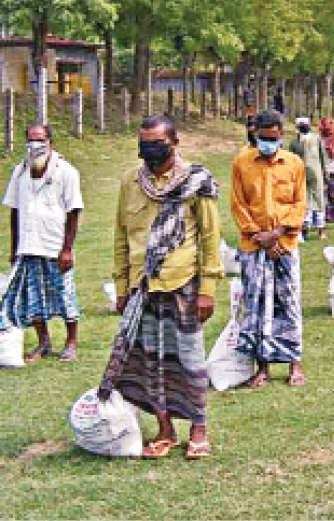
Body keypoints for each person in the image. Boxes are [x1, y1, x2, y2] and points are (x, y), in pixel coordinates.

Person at [107, 115, 221, 459]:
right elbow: (121, 237)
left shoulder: (197, 182)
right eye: (144, 143)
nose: (150, 149)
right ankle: (165, 429)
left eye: (157, 143)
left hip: (182, 284)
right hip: (142, 287)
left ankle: (198, 429)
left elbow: (210, 237)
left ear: (174, 142)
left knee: (189, 359)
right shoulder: (131, 182)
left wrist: (207, 290)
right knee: (150, 361)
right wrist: (122, 287)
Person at [231, 111, 307, 389]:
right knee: (256, 305)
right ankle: (261, 367)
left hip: (284, 245)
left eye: (272, 138)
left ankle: (294, 363)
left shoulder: (294, 164)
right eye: (262, 138)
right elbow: (238, 204)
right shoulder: (241, 163)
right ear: (255, 135)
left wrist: (276, 235)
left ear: (281, 136)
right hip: (254, 246)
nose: (267, 143)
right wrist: (259, 236)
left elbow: (299, 203)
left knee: (288, 302)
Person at [1, 125, 82, 362]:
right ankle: (43, 342)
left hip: (54, 245)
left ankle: (71, 342)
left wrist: (67, 249)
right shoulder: (20, 172)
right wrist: (14, 248)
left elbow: (74, 211)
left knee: (64, 293)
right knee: (33, 296)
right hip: (28, 245)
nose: (35, 145)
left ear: (50, 143)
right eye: (31, 140)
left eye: (40, 140)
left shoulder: (66, 171)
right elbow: (15, 211)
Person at [290, 117, 327, 240]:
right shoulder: (294, 143)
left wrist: (325, 172)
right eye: (302, 125)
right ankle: (304, 230)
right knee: (305, 202)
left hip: (317, 175)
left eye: (305, 124)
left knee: (319, 201)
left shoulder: (316, 139)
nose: (304, 126)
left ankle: (321, 229)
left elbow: (322, 156)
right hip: (301, 176)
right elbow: (291, 161)